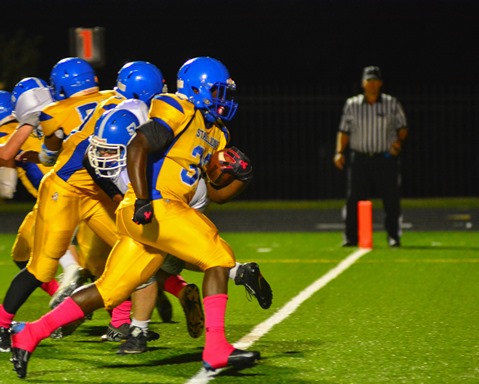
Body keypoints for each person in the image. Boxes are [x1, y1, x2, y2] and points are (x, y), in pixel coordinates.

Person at [10, 56, 261, 378]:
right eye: (217, 91)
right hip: (155, 206)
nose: (223, 99)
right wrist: (143, 198)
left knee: (109, 290)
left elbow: (215, 195)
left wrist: (241, 178)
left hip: (154, 213)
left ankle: (29, 334)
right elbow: (139, 146)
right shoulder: (177, 108)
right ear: (196, 87)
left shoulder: (216, 133)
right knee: (219, 257)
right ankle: (217, 349)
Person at [85, 105, 272, 354]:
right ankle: (234, 274)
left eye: (109, 150)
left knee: (153, 264)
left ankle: (139, 331)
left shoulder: (142, 150)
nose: (103, 156)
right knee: (165, 261)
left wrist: (139, 200)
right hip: (182, 192)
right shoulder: (165, 128)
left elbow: (136, 155)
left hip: (175, 199)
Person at [333, 66, 408, 247]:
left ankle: (393, 236)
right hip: (360, 158)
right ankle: (350, 236)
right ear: (363, 83)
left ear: (380, 83)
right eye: (369, 81)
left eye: (375, 81)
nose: (372, 84)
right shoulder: (353, 104)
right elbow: (344, 131)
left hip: (385, 158)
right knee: (354, 199)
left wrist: (398, 144)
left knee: (391, 199)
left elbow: (402, 127)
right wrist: (339, 152)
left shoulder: (392, 103)